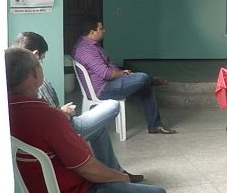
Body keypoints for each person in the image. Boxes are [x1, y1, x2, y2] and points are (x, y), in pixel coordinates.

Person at [5, 47, 168, 193]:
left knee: (95, 179)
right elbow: (89, 170)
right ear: (34, 74)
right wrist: (120, 177)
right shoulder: (47, 117)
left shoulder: (2, 111)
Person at [13, 31, 143, 183]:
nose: (42, 63)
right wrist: (63, 113)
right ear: (35, 55)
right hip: (62, 128)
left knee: (98, 128)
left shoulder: (12, 78)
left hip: (55, 124)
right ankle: (115, 174)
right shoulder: (35, 83)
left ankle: (113, 172)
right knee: (113, 105)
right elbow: (45, 118)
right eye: (42, 59)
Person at [71, 17, 176, 135]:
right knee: (143, 78)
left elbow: (108, 68)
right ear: (92, 32)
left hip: (106, 84)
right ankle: (153, 81)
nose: (104, 31)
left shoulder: (88, 45)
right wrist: (122, 74)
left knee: (145, 85)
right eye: (101, 28)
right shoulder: (86, 50)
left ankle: (155, 126)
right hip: (103, 89)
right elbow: (107, 74)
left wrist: (123, 73)